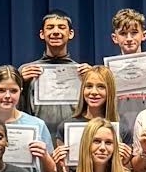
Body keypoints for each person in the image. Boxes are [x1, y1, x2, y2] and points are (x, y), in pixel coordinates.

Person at [19, 9, 94, 137]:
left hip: (74, 137)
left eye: (61, 27)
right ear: (42, 34)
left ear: (70, 34)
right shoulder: (26, 71)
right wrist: (20, 83)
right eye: (50, 27)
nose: (55, 32)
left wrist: (92, 81)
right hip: (38, 137)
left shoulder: (83, 72)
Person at [51, 65, 133, 172]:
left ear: (110, 91)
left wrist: (125, 161)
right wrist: (59, 167)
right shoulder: (65, 127)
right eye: (89, 86)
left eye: (101, 87)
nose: (94, 92)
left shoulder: (121, 128)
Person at [109, 8, 146, 134]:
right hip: (120, 135)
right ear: (115, 38)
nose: (129, 38)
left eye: (134, 33)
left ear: (144, 35)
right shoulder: (108, 71)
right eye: (123, 33)